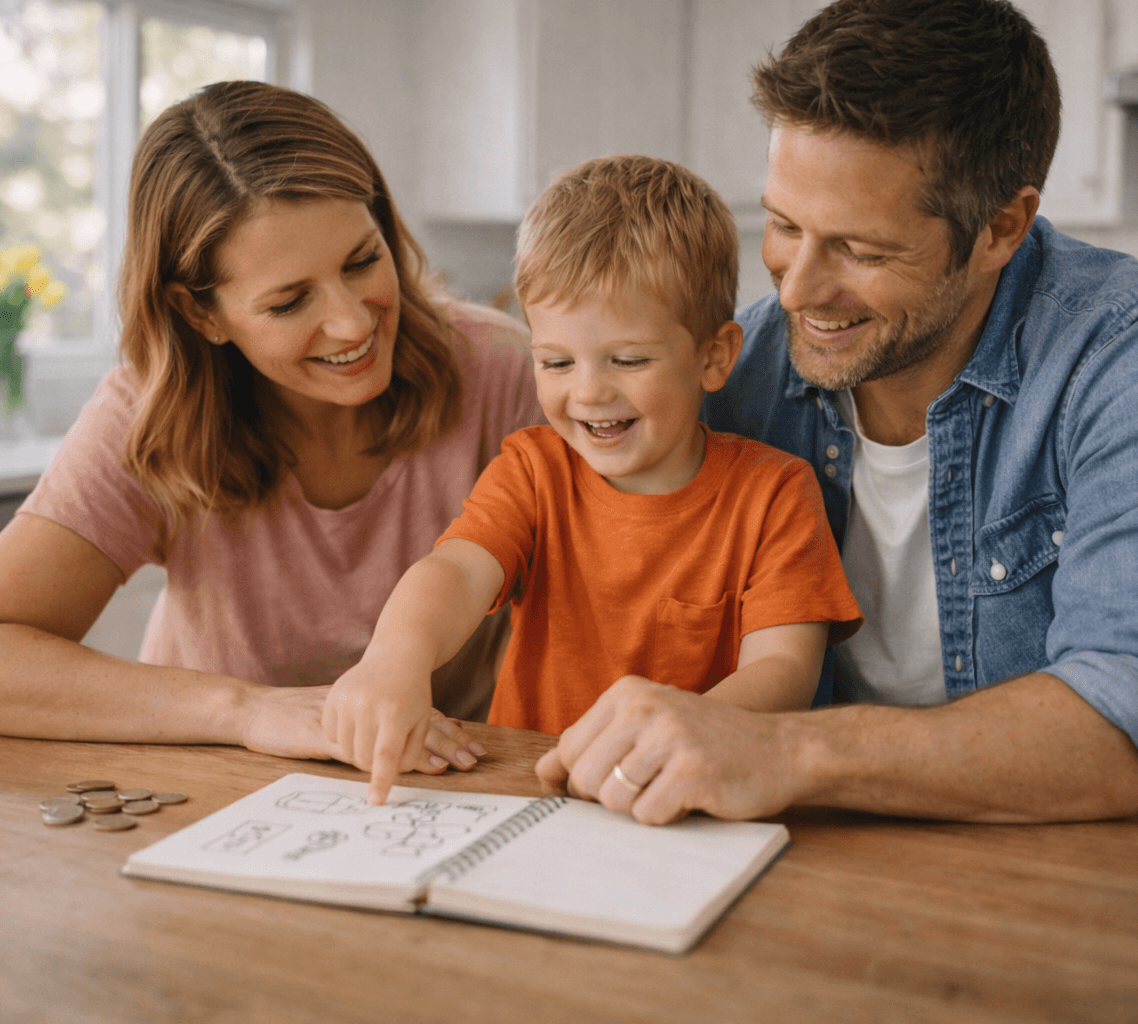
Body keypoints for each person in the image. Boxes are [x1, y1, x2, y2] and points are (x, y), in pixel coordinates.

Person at [536, 0, 1138, 845]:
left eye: (861, 251)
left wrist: (785, 750)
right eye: (785, 225)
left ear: (1000, 229)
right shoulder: (739, 368)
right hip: (861, 872)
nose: (797, 290)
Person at [0, 81, 542, 772]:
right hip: (216, 784)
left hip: (437, 788)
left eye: (363, 261)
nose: (352, 323)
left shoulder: (503, 370)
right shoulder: (149, 415)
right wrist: (247, 710)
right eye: (289, 302)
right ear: (200, 313)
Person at [326, 155, 861, 804]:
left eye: (627, 360)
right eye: (556, 362)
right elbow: (458, 573)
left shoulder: (776, 494)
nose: (588, 392)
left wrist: (681, 735)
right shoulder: (533, 470)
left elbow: (785, 667)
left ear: (715, 356)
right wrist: (394, 659)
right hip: (534, 793)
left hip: (688, 799)